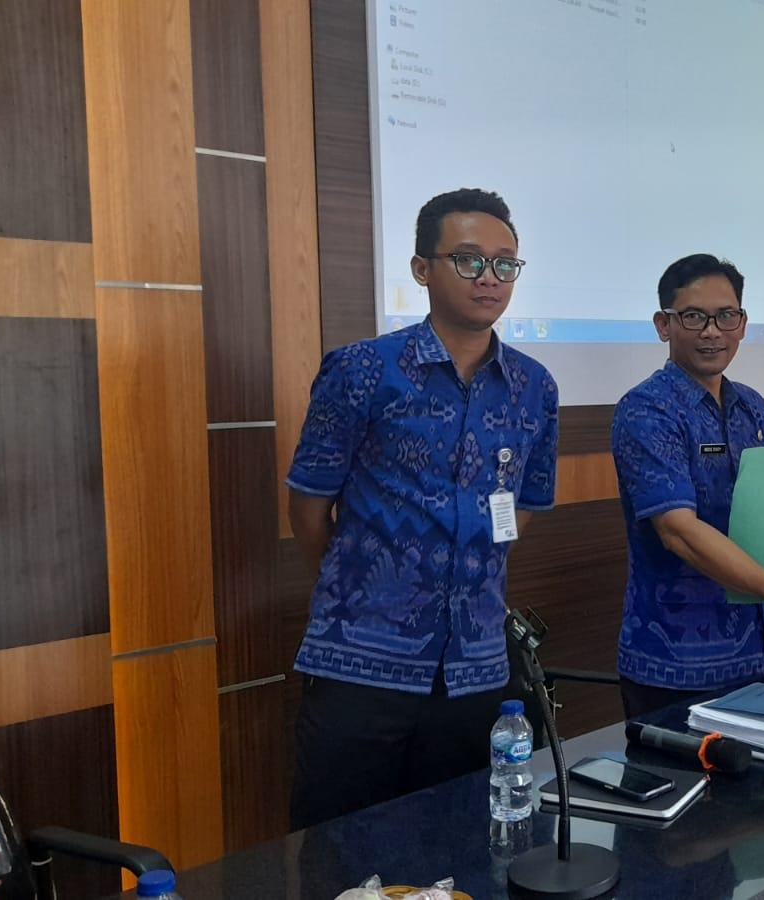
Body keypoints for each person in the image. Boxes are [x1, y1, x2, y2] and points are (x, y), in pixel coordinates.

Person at [284, 188, 559, 830]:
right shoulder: (362, 370)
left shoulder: (534, 386)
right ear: (421, 268)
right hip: (360, 662)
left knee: (461, 843)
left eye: (504, 264)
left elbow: (525, 506)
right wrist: (358, 584)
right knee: (340, 848)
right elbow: (308, 506)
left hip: (477, 669)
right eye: (468, 260)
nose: (488, 278)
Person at [611, 254, 764, 719]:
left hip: (753, 651)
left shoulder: (752, 407)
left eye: (726, 316)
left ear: (742, 324)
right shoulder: (647, 410)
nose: (712, 332)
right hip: (673, 659)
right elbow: (679, 531)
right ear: (664, 325)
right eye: (694, 317)